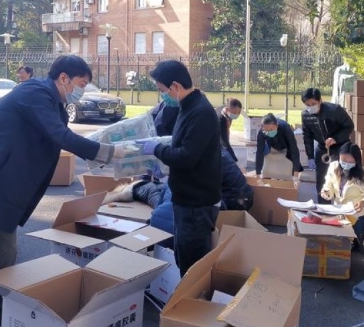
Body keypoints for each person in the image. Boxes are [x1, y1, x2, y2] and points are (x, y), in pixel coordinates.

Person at [0, 55, 127, 327]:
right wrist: (110, 152)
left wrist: (103, 152)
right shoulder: (34, 92)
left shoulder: (54, 104)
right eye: (80, 84)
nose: (80, 91)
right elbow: (60, 136)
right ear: (63, 78)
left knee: (3, 262)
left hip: (5, 195)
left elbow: (60, 136)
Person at [137, 60, 221, 276]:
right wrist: (162, 166)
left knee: (192, 263)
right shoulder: (188, 107)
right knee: (183, 255)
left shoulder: (200, 112)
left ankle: (192, 297)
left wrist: (157, 149)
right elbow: (184, 148)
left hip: (195, 203)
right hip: (186, 198)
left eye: (161, 90)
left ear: (175, 86)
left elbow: (186, 157)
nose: (161, 96)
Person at [103, 148, 253, 238]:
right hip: (240, 200)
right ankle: (133, 189)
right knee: (162, 191)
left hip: (226, 202)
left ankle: (132, 189)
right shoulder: (213, 150)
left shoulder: (199, 156)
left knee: (163, 190)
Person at [301, 87, 354, 203]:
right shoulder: (305, 115)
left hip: (340, 146)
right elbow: (307, 137)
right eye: (307, 105)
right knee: (322, 180)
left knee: (340, 178)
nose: (310, 107)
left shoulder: (334, 110)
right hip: (322, 148)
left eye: (313, 104)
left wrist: (335, 138)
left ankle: (341, 205)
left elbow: (349, 126)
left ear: (320, 101)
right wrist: (310, 156)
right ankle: (323, 207)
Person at [320, 142, 364, 249]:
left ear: (357, 161)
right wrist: (327, 192)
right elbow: (328, 185)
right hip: (339, 211)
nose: (346, 164)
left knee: (353, 245)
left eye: (351, 162)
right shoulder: (333, 166)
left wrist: (363, 203)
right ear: (339, 157)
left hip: (356, 215)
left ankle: (360, 234)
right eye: (344, 160)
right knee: (335, 243)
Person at [255, 113, 302, 180]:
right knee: (266, 172)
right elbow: (259, 152)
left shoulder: (285, 128)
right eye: (266, 131)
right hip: (272, 147)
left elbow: (294, 150)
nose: (269, 132)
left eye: (271, 129)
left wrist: (296, 175)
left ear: (277, 125)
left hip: (286, 147)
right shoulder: (261, 132)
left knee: (288, 175)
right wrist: (258, 173)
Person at [218, 97, 242, 162]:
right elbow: (224, 142)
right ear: (228, 109)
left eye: (238, 113)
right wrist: (235, 160)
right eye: (234, 113)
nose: (236, 115)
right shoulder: (220, 119)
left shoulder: (227, 115)